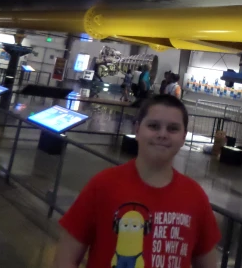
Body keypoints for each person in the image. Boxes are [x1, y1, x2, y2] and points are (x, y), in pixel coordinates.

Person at [53, 95, 220, 268]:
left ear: (183, 137)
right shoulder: (103, 185)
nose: (162, 134)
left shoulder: (195, 197)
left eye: (172, 129)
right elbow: (65, 258)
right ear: (138, 129)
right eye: (154, 126)